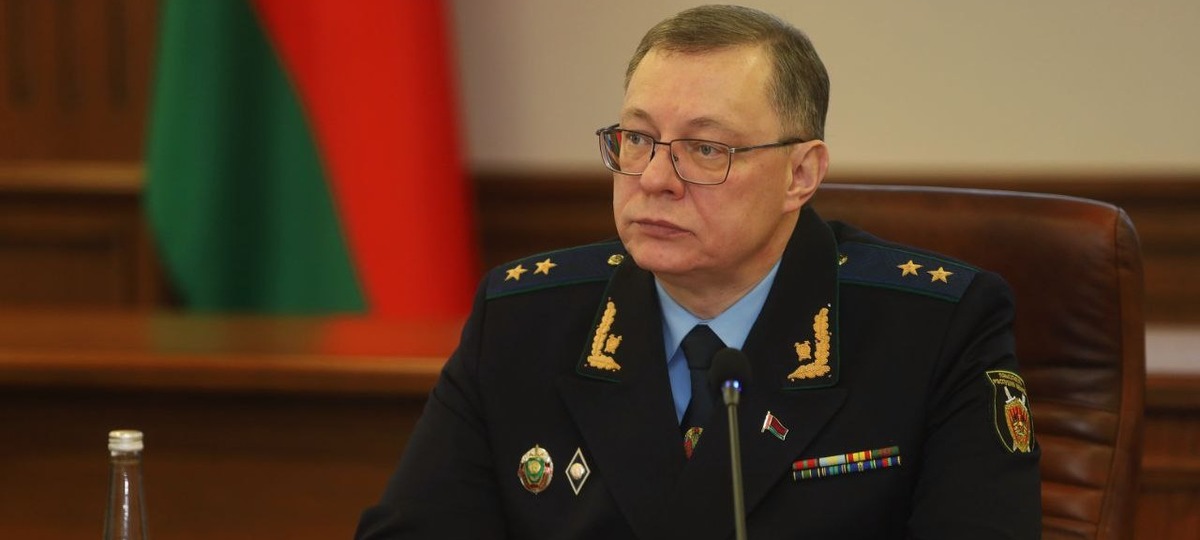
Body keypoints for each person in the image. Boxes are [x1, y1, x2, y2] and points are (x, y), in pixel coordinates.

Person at [356, 5, 1041, 539]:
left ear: (801, 174)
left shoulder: (934, 330)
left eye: (706, 149)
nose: (656, 178)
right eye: (637, 139)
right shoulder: (523, 319)